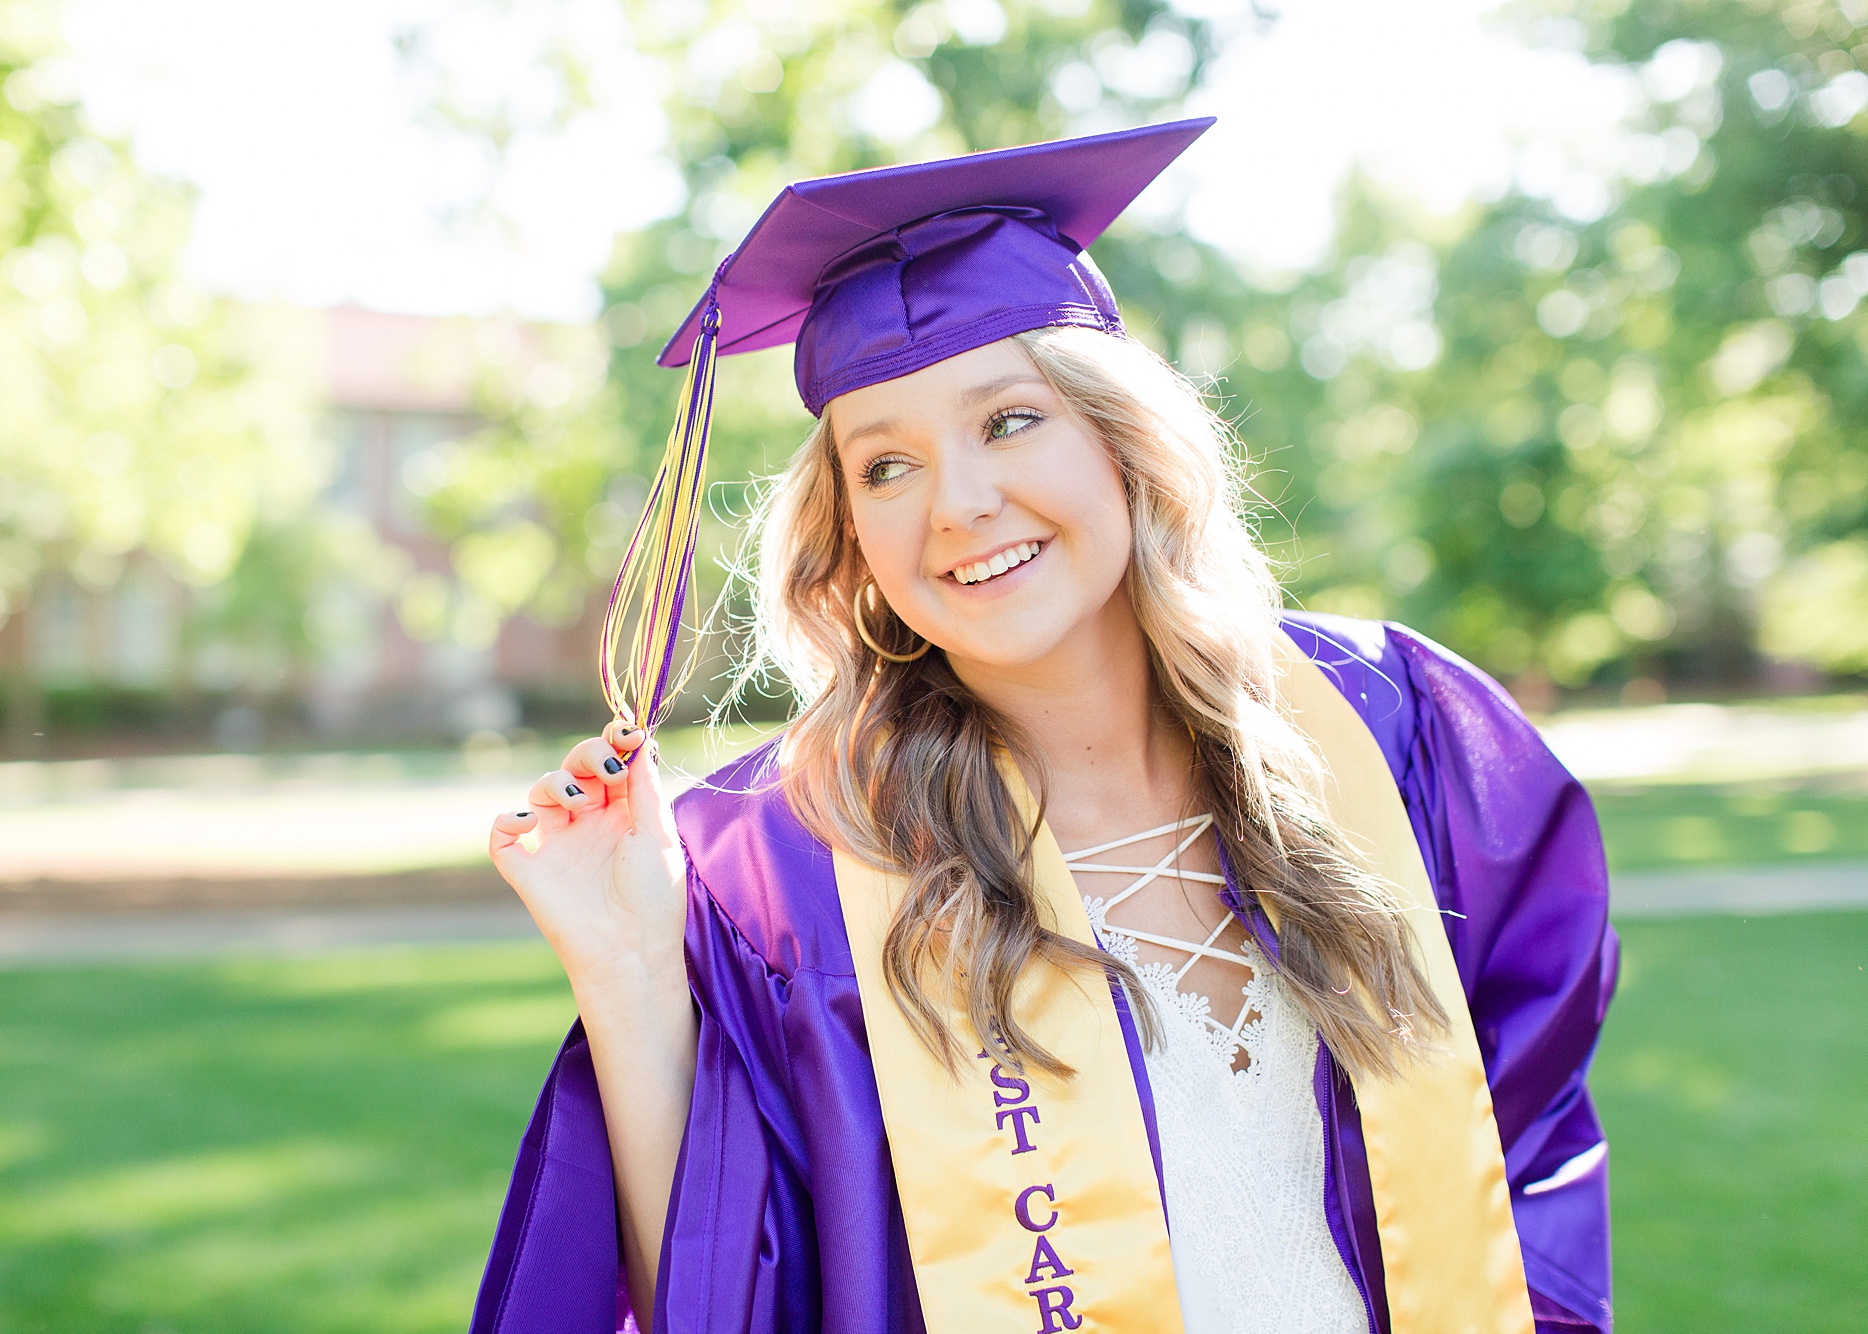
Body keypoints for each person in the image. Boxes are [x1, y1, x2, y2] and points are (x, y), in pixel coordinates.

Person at [474, 120, 1618, 1334]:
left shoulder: (1391, 728)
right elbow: (719, 1286)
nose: (959, 504)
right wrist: (632, 967)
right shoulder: (795, 862)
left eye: (1008, 420)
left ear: (1121, 439)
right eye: (886, 464)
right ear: (846, 529)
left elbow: (1527, 1149)